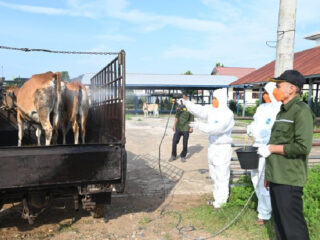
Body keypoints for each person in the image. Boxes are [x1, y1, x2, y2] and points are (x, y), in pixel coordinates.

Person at [258, 70, 314, 240]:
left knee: (293, 228)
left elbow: (303, 147)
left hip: (289, 179)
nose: (276, 89)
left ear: (291, 88)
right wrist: (270, 175)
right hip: (277, 176)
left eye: (278, 86)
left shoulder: (301, 111)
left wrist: (273, 148)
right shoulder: (283, 111)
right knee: (281, 227)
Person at [180, 88, 234, 208]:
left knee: (222, 176)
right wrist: (186, 102)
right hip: (212, 147)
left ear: (222, 100)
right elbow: (199, 110)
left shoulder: (227, 113)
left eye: (215, 99)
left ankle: (222, 202)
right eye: (213, 98)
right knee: (214, 175)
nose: (213, 101)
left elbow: (217, 129)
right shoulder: (212, 110)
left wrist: (200, 126)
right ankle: (216, 199)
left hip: (222, 148)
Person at [247, 82, 282, 225]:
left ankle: (265, 214)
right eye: (264, 93)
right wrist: (250, 129)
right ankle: (263, 208)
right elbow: (255, 123)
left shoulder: (278, 109)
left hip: (268, 150)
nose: (264, 96)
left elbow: (270, 130)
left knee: (265, 182)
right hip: (257, 147)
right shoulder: (261, 108)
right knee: (255, 177)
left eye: (267, 93)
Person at [169, 94, 194, 163]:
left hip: (186, 128)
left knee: (185, 143)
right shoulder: (179, 106)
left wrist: (191, 127)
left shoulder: (190, 108)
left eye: (185, 97)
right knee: (174, 141)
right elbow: (176, 116)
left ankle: (183, 156)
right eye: (183, 97)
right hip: (178, 127)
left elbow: (192, 118)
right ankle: (173, 155)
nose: (184, 98)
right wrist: (174, 125)